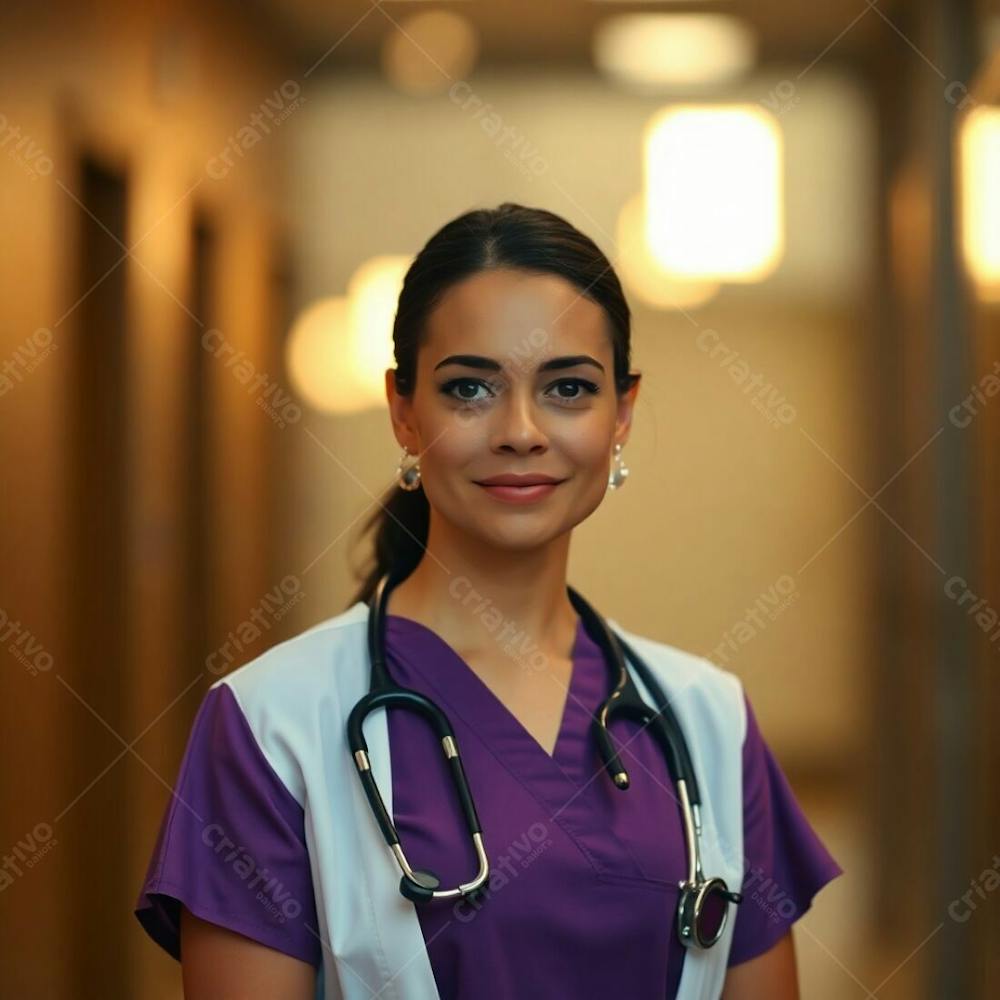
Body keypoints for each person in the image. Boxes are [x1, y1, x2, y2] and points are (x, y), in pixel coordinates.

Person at [134, 202, 842, 999]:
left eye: (569, 388)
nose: (521, 430)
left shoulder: (709, 721)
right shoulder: (272, 724)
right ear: (404, 410)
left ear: (624, 415)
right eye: (470, 388)